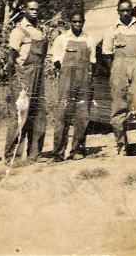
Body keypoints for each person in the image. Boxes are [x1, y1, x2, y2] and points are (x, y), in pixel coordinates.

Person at [103, 0, 136, 155]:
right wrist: (114, 71)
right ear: (118, 11)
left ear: (132, 10)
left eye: (128, 10)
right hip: (118, 66)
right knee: (119, 106)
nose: (125, 13)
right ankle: (121, 143)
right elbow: (107, 53)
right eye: (122, 10)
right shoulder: (112, 29)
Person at [49, 10, 96, 162]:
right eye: (74, 21)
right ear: (70, 22)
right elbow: (56, 63)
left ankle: (77, 150)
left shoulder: (90, 40)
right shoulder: (61, 40)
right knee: (62, 114)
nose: (77, 24)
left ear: (83, 22)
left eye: (80, 21)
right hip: (67, 80)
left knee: (82, 115)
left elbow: (92, 62)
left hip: (84, 80)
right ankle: (58, 152)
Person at [4, 0, 48, 165]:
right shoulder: (18, 31)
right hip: (24, 76)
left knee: (39, 114)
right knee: (20, 115)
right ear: (24, 10)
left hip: (39, 75)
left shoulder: (42, 30)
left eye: (37, 9)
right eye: (31, 9)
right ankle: (11, 156)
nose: (35, 11)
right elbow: (11, 58)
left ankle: (34, 154)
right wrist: (12, 82)